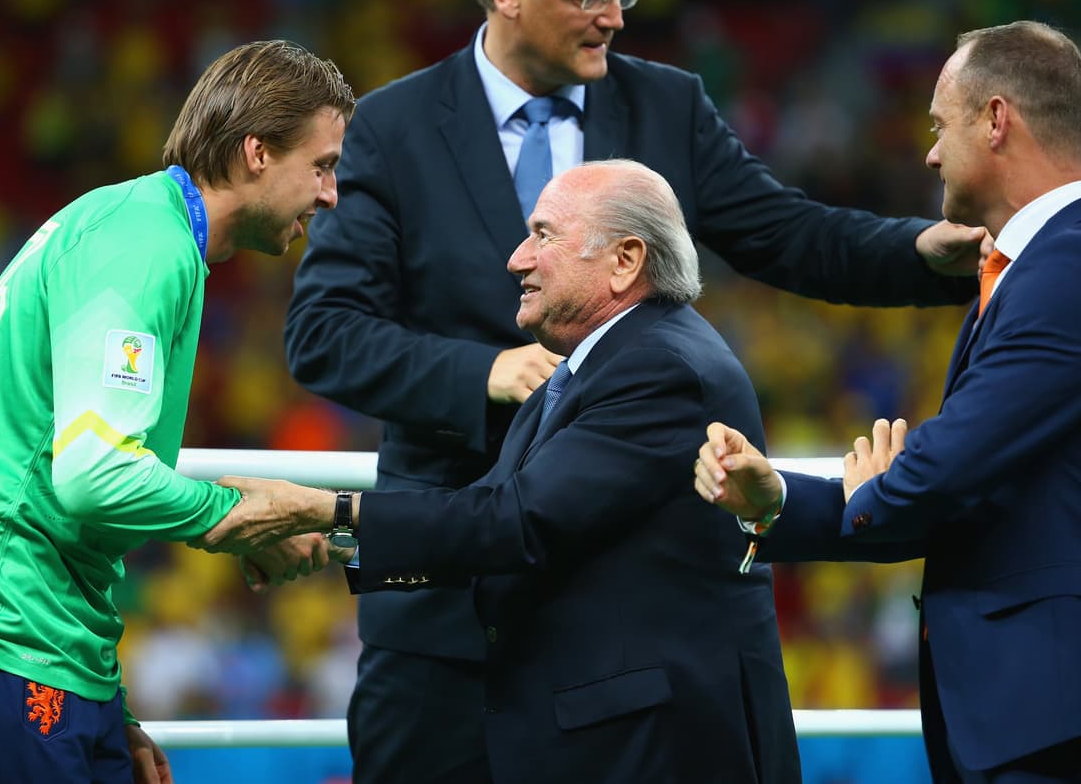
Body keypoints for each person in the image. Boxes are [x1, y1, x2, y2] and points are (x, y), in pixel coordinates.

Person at [282, 0, 984, 779]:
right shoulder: (391, 126)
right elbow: (323, 332)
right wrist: (483, 373)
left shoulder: (666, 105)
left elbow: (787, 233)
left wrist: (919, 251)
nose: (614, 16)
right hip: (445, 604)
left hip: (624, 619)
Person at [0, 40, 356, 784]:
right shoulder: (144, 248)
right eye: (322, 166)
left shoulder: (143, 230)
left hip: (30, 631)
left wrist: (104, 702)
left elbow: (62, 485)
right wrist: (242, 515)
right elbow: (93, 476)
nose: (331, 194)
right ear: (257, 152)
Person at [218, 159, 801, 783]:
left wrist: (321, 509)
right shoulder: (596, 364)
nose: (517, 259)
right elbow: (492, 516)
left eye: (543, 235)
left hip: (657, 747)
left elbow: (512, 524)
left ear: (625, 261)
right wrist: (330, 537)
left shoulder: (660, 369)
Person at [693, 20, 1081, 783]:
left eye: (939, 125)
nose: (930, 153)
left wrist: (887, 487)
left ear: (996, 120)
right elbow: (958, 489)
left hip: (1050, 718)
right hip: (1029, 715)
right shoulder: (1028, 264)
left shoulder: (1066, 262)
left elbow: (947, 469)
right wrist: (775, 502)